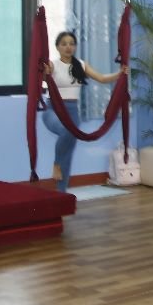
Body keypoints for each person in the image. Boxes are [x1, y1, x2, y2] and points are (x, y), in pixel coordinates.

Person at [41, 31, 128, 191]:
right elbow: (40, 78)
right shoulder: (52, 65)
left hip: (72, 112)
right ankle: (56, 164)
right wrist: (44, 72)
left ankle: (62, 192)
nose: (68, 47)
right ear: (57, 47)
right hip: (53, 110)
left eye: (71, 44)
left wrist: (120, 74)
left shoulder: (81, 65)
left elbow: (101, 78)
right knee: (65, 132)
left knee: (68, 153)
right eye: (64, 44)